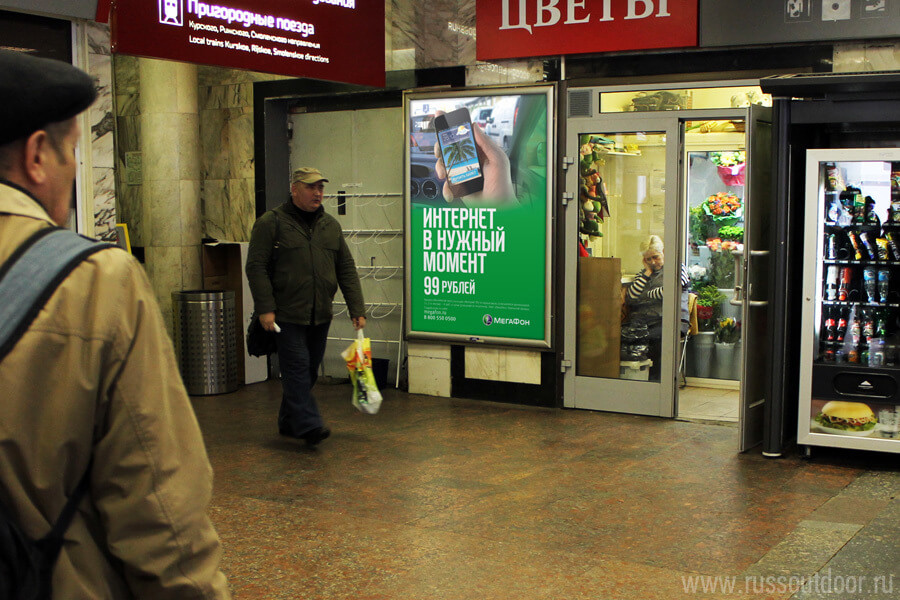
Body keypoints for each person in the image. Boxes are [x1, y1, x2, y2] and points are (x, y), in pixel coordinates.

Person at [0, 50, 231, 597]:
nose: (75, 171)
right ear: (37, 155)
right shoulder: (96, 283)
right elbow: (159, 510)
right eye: (74, 152)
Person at [246, 167, 366, 446]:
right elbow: (256, 267)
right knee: (298, 368)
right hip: (286, 315)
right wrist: (265, 307)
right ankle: (309, 424)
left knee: (309, 370)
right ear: (294, 189)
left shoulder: (330, 226)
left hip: (319, 314)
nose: (317, 193)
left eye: (320, 188)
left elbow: (345, 268)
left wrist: (356, 308)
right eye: (311, 187)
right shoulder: (271, 223)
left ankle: (289, 420)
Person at [624, 234, 690, 380]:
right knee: (627, 337)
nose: (653, 262)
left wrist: (647, 293)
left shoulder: (679, 267)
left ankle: (657, 382)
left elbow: (671, 290)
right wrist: (647, 273)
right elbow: (631, 296)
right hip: (648, 321)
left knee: (655, 338)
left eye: (656, 257)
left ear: (664, 252)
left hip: (674, 320)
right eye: (648, 259)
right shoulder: (644, 274)